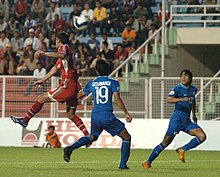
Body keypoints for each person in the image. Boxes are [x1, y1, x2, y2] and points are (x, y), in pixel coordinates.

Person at [11, 32, 89, 138]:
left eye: (56, 41)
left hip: (67, 85)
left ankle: (25, 120)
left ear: (58, 40)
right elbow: (53, 70)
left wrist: (43, 53)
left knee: (41, 98)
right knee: (71, 114)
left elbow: (61, 54)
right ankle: (87, 135)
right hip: (74, 86)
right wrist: (42, 80)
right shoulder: (66, 58)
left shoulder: (64, 47)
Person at [63, 59, 132, 170]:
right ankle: (122, 165)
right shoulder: (113, 82)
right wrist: (126, 113)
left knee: (92, 137)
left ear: (96, 71)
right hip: (107, 116)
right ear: (109, 70)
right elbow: (117, 98)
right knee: (126, 137)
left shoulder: (92, 83)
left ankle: (70, 148)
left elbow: (79, 96)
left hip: (95, 116)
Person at [143, 69, 207, 169]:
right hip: (176, 120)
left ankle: (182, 150)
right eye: (182, 76)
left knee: (202, 136)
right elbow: (169, 99)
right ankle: (148, 162)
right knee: (165, 143)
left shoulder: (193, 89)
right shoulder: (177, 88)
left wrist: (193, 114)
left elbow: (193, 101)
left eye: (185, 76)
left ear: (190, 78)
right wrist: (181, 99)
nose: (183, 78)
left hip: (187, 121)